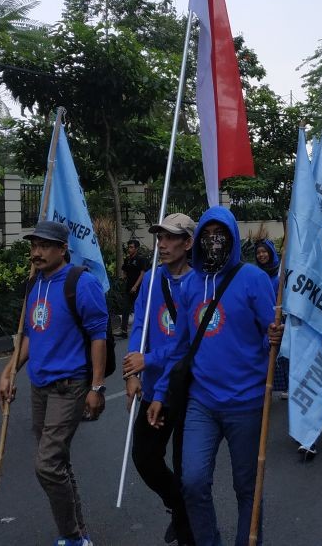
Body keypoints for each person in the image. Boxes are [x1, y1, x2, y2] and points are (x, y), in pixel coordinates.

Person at [146, 206, 283, 546]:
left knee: (247, 487)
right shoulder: (190, 284)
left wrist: (278, 337)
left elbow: (272, 337)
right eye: (206, 235)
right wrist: (160, 394)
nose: (213, 241)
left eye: (220, 234)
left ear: (233, 238)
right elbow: (180, 348)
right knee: (191, 481)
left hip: (247, 404)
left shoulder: (253, 279)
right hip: (201, 403)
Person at [0, 220, 108, 546]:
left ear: (63, 249)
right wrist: (8, 372)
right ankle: (80, 534)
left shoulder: (80, 283)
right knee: (58, 463)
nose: (37, 252)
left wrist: (96, 387)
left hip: (69, 386)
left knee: (46, 465)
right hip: (40, 387)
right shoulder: (35, 285)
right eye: (33, 245)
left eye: (44, 246)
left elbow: (98, 336)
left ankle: (71, 537)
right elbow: (31, 335)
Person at [123, 213, 197, 546]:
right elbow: (139, 326)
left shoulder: (199, 285)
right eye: (160, 237)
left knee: (186, 466)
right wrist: (133, 372)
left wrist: (149, 359)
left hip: (185, 392)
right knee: (144, 457)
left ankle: (188, 528)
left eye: (170, 237)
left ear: (188, 242)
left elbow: (188, 345)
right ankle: (177, 504)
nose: (162, 244)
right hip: (153, 387)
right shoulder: (151, 280)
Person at [253, 239, 288, 395]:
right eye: (258, 253)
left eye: (264, 251)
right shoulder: (255, 275)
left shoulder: (281, 273)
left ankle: (288, 387)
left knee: (282, 355)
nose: (261, 255)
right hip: (261, 321)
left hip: (280, 321)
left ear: (271, 252)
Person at [119, 238, 148, 337]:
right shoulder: (127, 259)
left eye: (131, 247)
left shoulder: (141, 259)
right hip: (129, 288)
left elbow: (142, 273)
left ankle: (143, 330)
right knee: (125, 309)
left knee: (139, 309)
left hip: (138, 288)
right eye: (129, 247)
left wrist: (135, 286)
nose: (129, 249)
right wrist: (123, 277)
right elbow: (124, 270)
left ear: (136, 248)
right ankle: (123, 331)